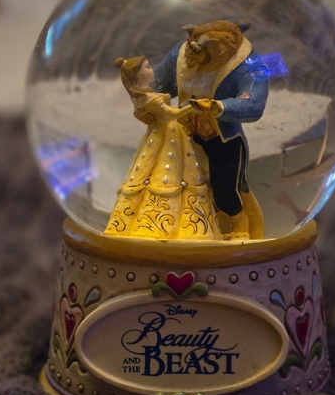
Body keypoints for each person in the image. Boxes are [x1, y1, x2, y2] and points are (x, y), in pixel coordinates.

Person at [153, 20, 269, 240]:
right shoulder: (181, 54)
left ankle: (241, 228)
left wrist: (220, 107)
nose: (192, 58)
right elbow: (159, 82)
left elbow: (254, 101)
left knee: (226, 188)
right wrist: (145, 92)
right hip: (185, 136)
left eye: (200, 54)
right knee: (183, 184)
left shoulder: (250, 63)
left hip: (223, 140)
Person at [104, 56, 220, 241]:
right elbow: (173, 113)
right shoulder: (148, 98)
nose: (152, 70)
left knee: (179, 169)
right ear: (138, 75)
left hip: (166, 132)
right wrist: (194, 107)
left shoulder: (148, 93)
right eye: (147, 67)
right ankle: (158, 223)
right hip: (166, 133)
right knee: (169, 170)